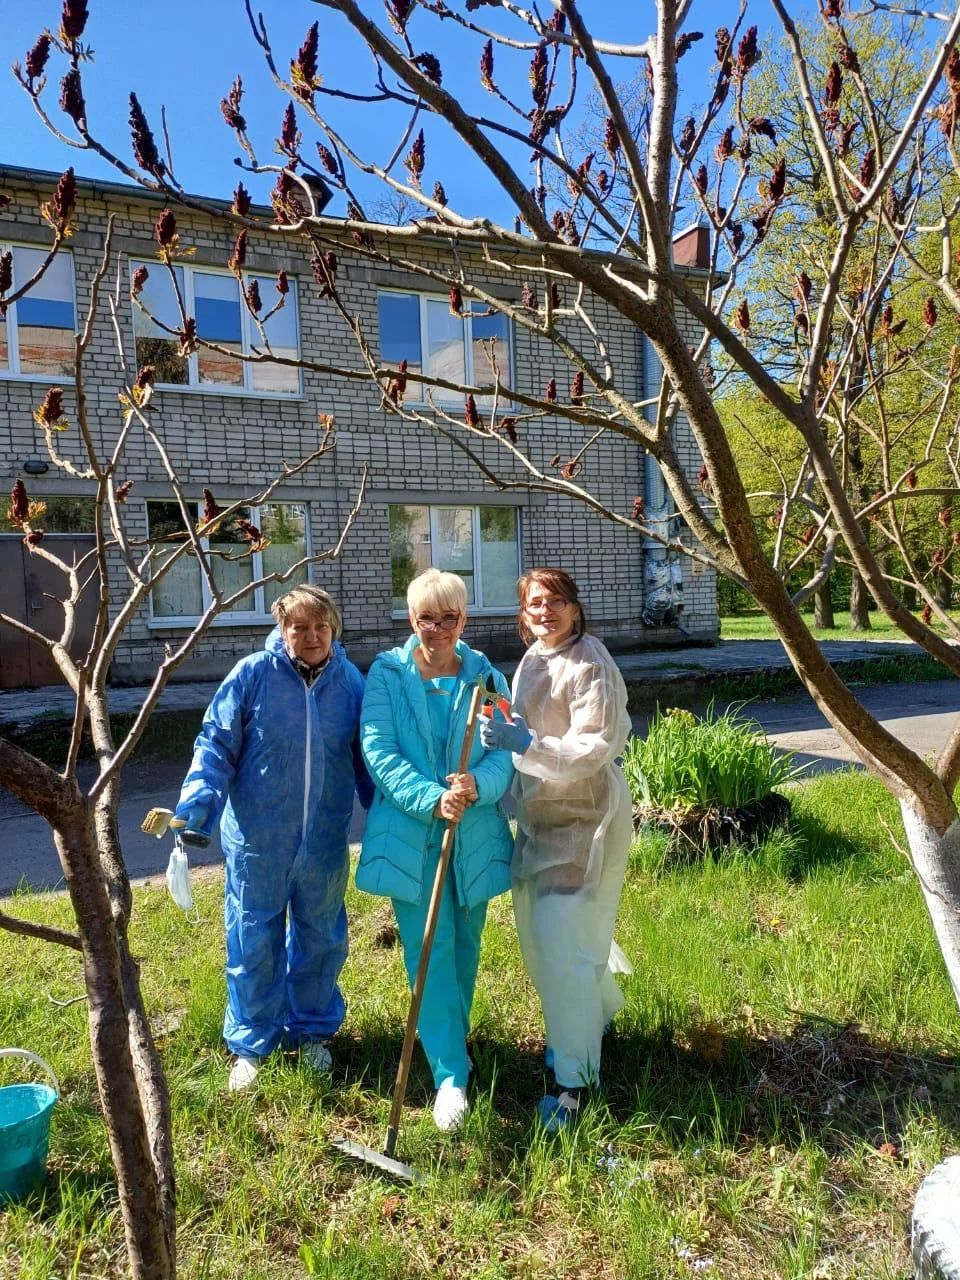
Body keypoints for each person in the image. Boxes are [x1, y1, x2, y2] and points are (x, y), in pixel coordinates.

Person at [172, 584, 372, 1092]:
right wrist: (197, 807)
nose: (310, 637)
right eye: (299, 627)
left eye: (320, 627)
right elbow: (215, 744)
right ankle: (251, 1041)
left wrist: (395, 821)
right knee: (253, 937)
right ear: (281, 630)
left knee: (321, 936)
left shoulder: (350, 682)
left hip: (325, 839)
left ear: (334, 630)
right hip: (259, 841)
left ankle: (311, 1033)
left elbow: (369, 759)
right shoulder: (253, 676)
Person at [358, 568, 514, 1131]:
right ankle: (452, 1074)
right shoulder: (387, 675)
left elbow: (507, 750)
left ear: (463, 619)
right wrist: (433, 798)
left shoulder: (486, 678)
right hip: (411, 834)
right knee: (430, 946)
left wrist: (479, 786)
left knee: (465, 945)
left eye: (449, 618)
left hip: (472, 836)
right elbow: (379, 751)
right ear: (412, 619)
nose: (438, 628)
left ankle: (453, 1047)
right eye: (427, 617)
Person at [480, 568, 633, 1132]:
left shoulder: (590, 660)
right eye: (534, 604)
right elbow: (525, 727)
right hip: (543, 819)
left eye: (555, 602)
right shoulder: (533, 661)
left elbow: (594, 746)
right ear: (524, 615)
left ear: (574, 608)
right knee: (547, 941)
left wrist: (528, 744)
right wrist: (505, 754)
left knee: (563, 945)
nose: (544, 612)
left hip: (585, 820)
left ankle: (573, 1082)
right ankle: (597, 1017)